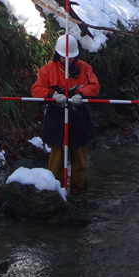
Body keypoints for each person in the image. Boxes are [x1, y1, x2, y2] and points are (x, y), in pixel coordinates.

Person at [31, 33, 100, 197]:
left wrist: (81, 95)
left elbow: (94, 86)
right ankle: (56, 195)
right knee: (56, 163)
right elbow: (36, 90)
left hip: (78, 119)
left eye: (70, 58)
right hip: (57, 120)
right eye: (64, 58)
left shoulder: (85, 68)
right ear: (58, 55)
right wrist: (52, 95)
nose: (67, 61)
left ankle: (79, 195)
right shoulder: (48, 70)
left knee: (80, 163)